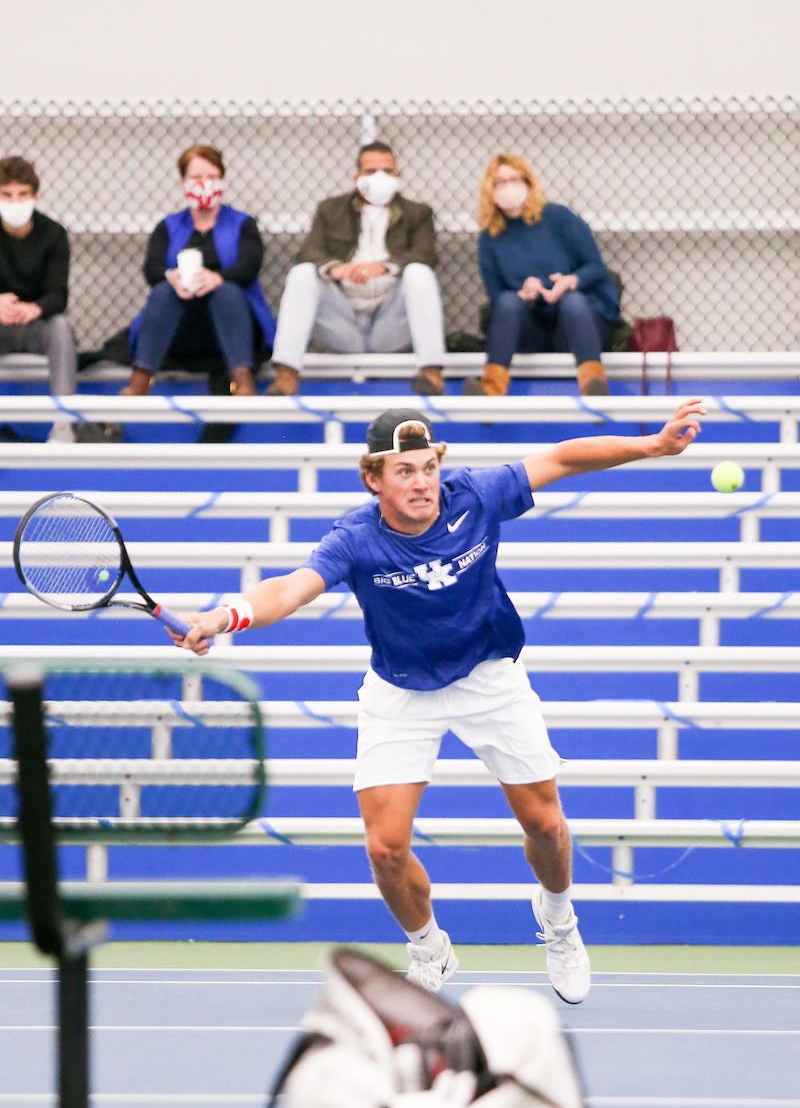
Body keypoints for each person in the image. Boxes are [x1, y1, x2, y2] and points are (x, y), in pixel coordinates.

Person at [167, 398, 705, 1005]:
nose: (421, 481)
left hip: (488, 675)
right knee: (384, 847)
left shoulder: (475, 495)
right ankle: (429, 949)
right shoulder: (355, 539)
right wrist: (223, 616)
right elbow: (290, 589)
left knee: (545, 824)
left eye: (427, 466)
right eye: (404, 470)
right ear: (373, 478)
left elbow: (561, 457)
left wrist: (653, 445)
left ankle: (558, 919)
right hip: (401, 689)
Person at [268, 141, 447, 397]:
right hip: (343, 321)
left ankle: (431, 373)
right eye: (371, 171)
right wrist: (335, 269)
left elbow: (426, 254)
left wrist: (384, 268)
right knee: (302, 273)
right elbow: (309, 252)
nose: (380, 178)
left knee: (420, 273)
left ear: (397, 176)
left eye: (387, 171)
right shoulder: (330, 210)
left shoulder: (417, 214)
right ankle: (286, 375)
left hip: (390, 322)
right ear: (357, 177)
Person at [122, 144, 275, 399]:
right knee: (162, 291)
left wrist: (217, 278)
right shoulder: (168, 226)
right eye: (196, 178)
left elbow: (249, 265)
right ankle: (139, 382)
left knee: (226, 291)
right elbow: (152, 269)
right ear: (183, 183)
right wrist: (172, 278)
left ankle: (243, 381)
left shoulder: (243, 224)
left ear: (222, 182)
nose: (205, 184)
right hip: (182, 323)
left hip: (232, 323)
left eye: (212, 178)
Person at [469, 154, 620, 399]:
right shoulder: (490, 237)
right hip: (532, 329)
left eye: (514, 179)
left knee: (573, 301)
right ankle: (490, 389)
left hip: (577, 325)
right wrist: (523, 296)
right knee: (508, 302)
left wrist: (568, 282)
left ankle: (593, 385)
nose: (507, 187)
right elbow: (496, 299)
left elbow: (595, 267)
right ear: (490, 190)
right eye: (499, 183)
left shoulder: (558, 217)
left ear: (528, 183)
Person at [0, 156, 78, 443]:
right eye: (6, 195)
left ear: (35, 197)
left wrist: (35, 308)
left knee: (61, 327)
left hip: (37, 326)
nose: (14, 202)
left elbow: (59, 295)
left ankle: (62, 425)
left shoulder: (53, 234)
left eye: (22, 194)